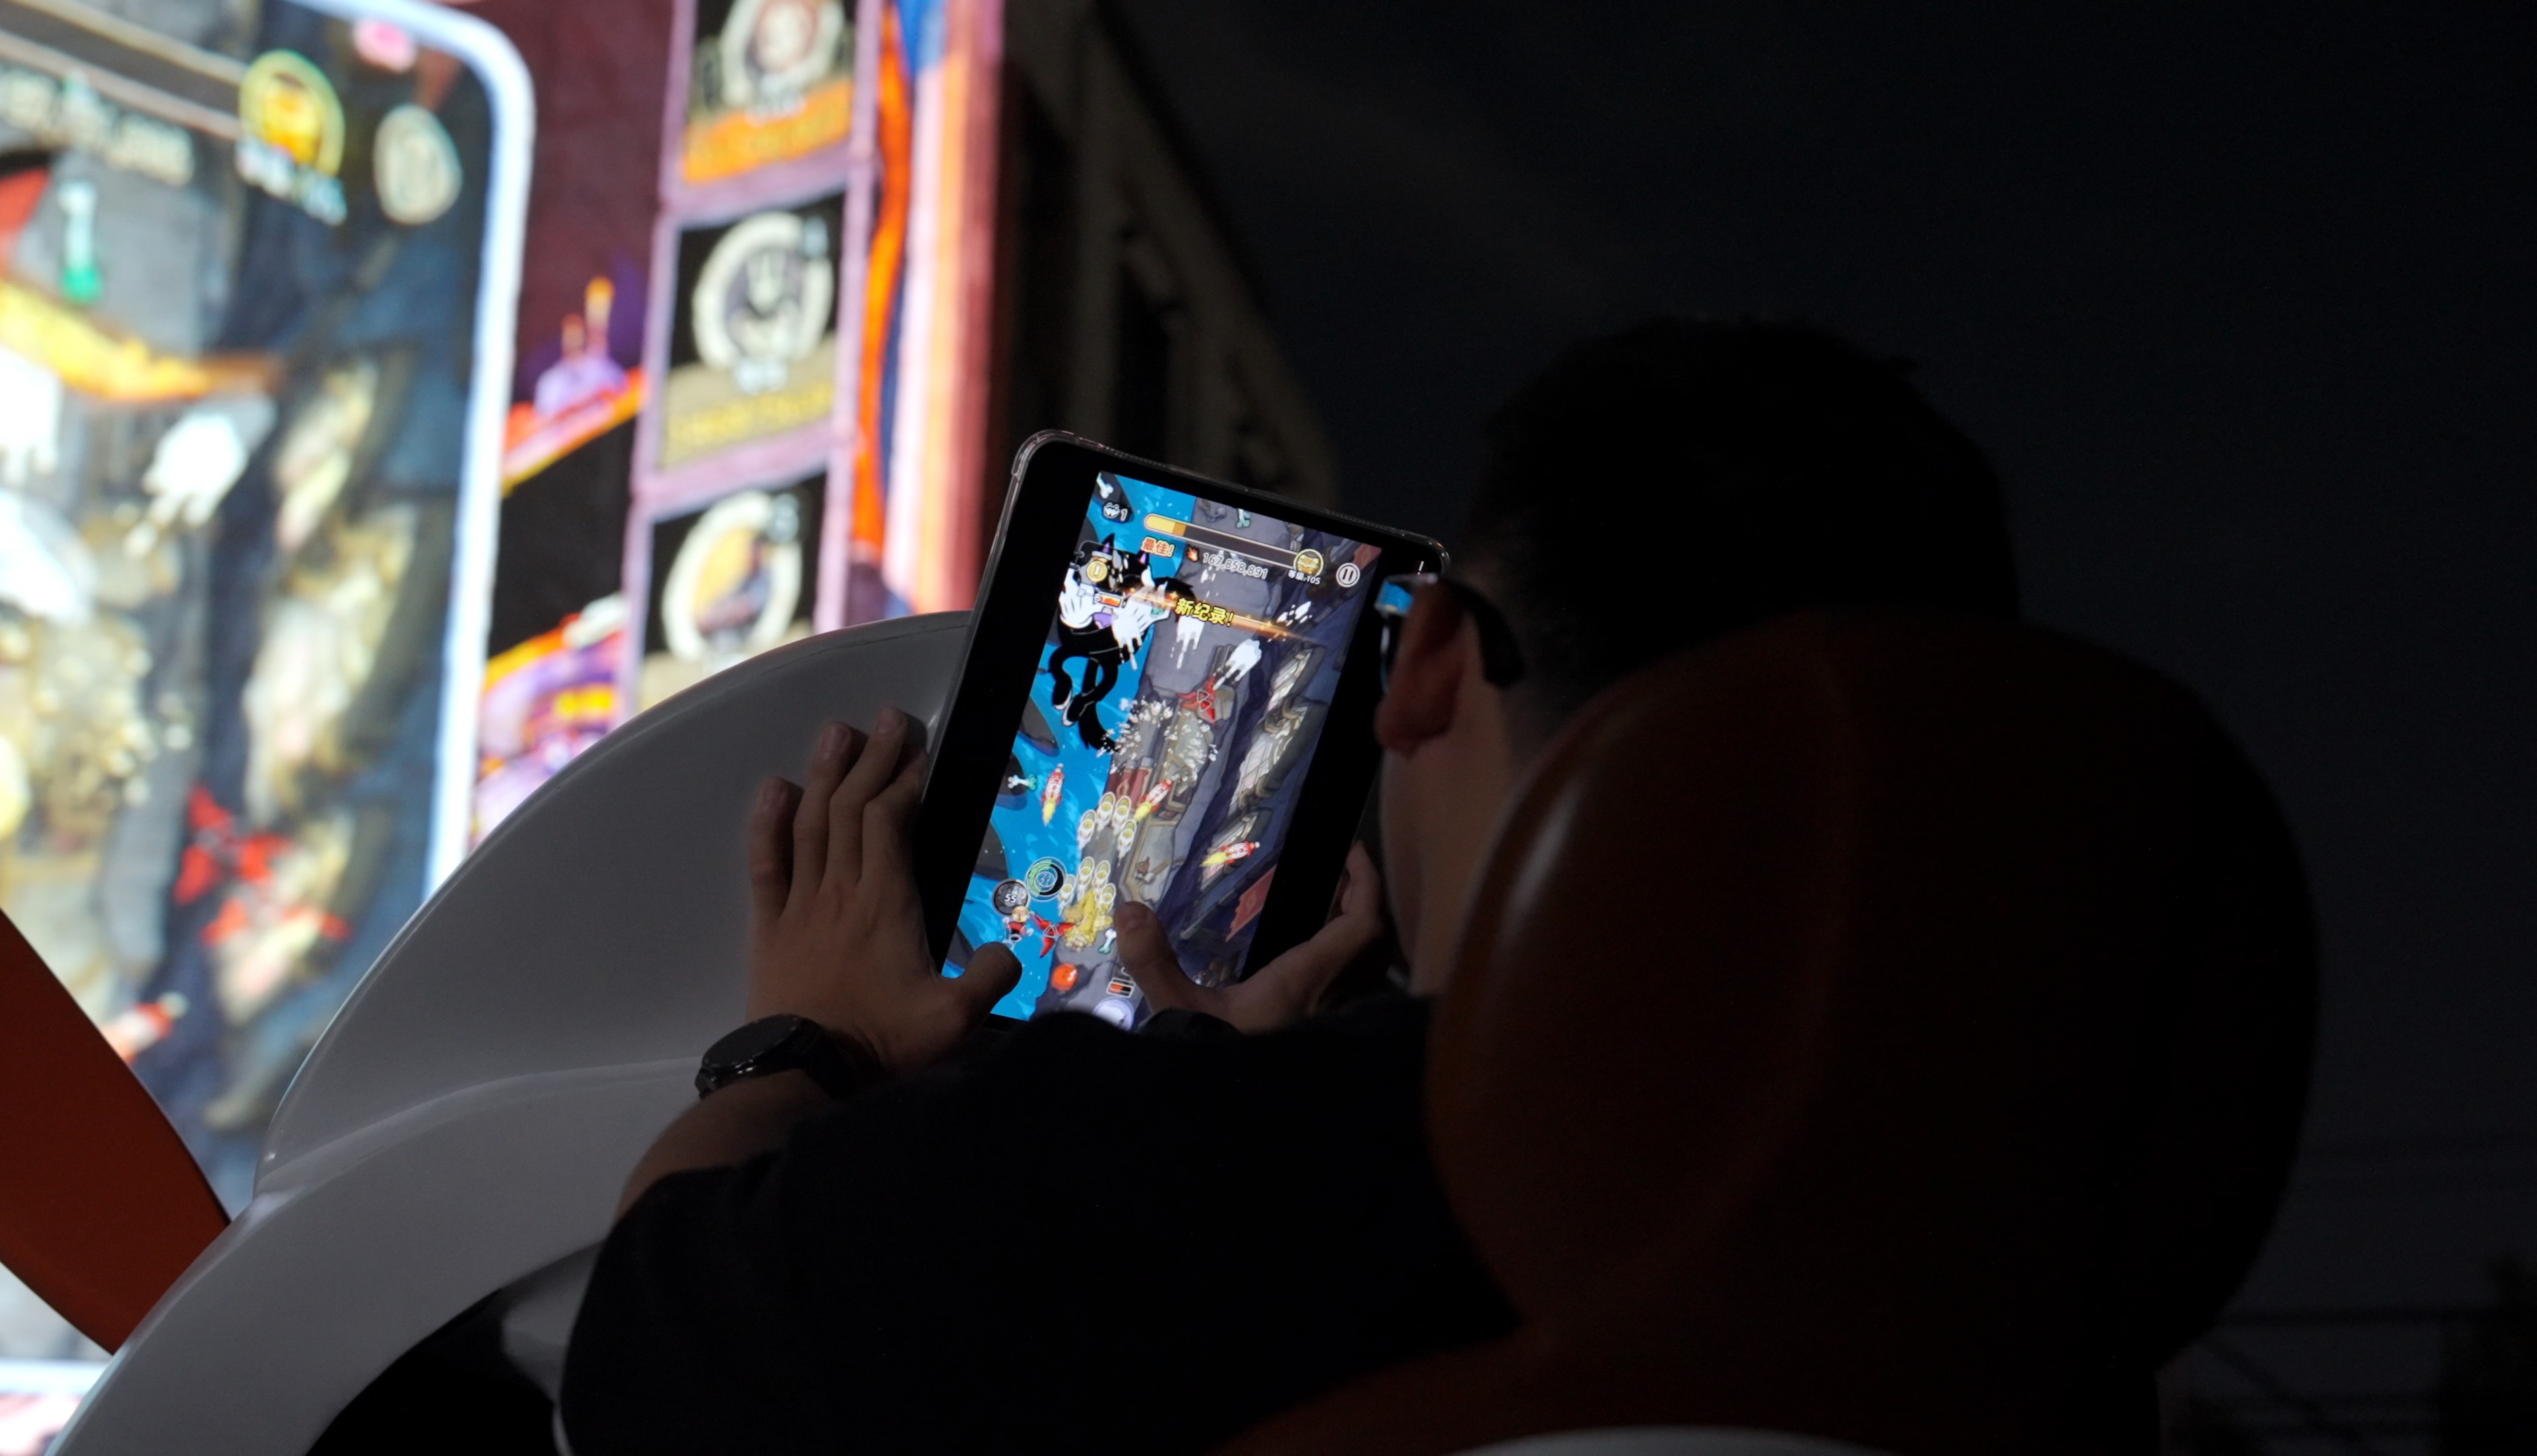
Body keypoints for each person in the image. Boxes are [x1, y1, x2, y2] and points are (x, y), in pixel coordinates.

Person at [558, 317, 2021, 1454]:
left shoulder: (1166, 1173)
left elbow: (644, 1367)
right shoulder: (2008, 1220)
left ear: (1429, 663)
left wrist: (821, 1041)